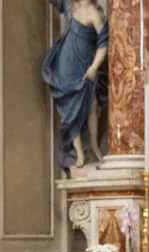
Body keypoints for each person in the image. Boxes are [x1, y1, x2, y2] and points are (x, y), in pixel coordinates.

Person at [43, 0, 108, 174]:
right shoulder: (69, 4)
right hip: (66, 65)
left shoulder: (95, 13)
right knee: (69, 110)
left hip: (85, 66)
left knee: (92, 106)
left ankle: (94, 147)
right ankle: (79, 152)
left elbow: (103, 44)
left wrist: (94, 67)